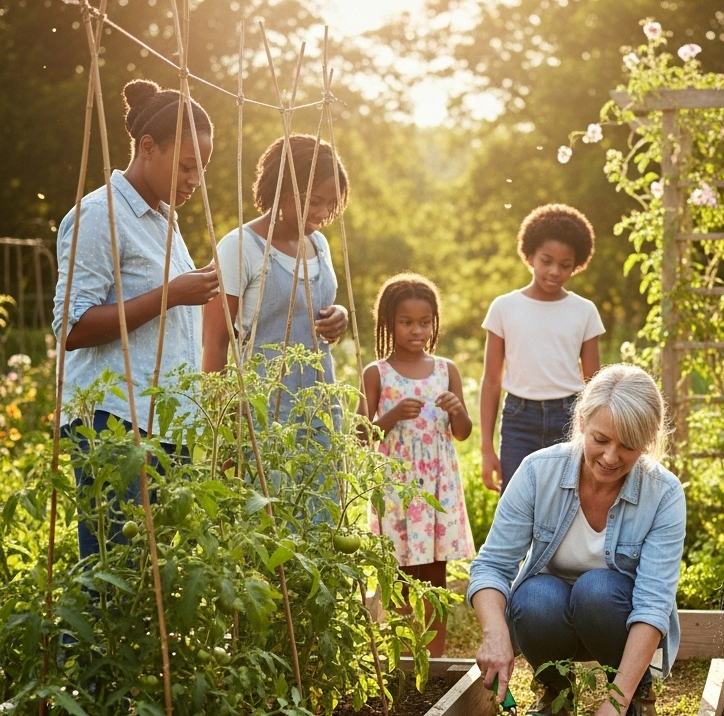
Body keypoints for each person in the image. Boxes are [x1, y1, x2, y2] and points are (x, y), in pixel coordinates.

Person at [471, 364, 686, 716]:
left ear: (648, 442)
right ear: (582, 422)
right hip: (549, 619)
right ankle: (554, 693)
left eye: (628, 446)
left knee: (596, 590)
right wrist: (495, 634)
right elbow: (492, 567)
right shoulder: (538, 473)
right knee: (533, 595)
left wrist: (616, 702)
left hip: (613, 617)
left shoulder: (664, 493)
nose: (610, 456)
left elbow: (654, 604)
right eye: (600, 439)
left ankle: (636, 697)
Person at [54, 79, 218, 558]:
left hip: (167, 422)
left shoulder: (163, 218)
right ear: (148, 148)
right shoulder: (98, 216)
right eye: (187, 165)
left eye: (201, 169)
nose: (195, 180)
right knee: (115, 575)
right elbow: (72, 327)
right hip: (116, 423)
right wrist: (170, 295)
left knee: (156, 580)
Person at [363, 273, 475, 656]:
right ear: (388, 323)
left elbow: (462, 433)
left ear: (434, 322)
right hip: (396, 486)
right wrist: (390, 417)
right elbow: (361, 436)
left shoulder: (446, 370)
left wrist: (458, 410)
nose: (416, 330)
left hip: (436, 488)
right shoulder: (376, 372)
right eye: (406, 322)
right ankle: (402, 654)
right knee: (397, 571)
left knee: (433, 574)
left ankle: (436, 656)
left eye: (424, 322)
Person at [203, 134, 349, 418]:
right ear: (281, 189)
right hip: (262, 407)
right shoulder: (240, 246)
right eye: (314, 201)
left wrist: (338, 315)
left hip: (319, 405)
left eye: (331, 203)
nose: (322, 212)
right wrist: (222, 420)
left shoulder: (319, 244)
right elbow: (215, 342)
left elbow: (308, 316)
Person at [480, 203, 605, 494]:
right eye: (546, 261)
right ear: (529, 255)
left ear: (577, 264)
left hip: (570, 418)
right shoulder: (504, 307)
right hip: (518, 421)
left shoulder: (584, 311)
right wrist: (486, 449)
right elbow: (491, 381)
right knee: (516, 507)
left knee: (566, 506)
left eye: (565, 265)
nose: (554, 271)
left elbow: (594, 384)